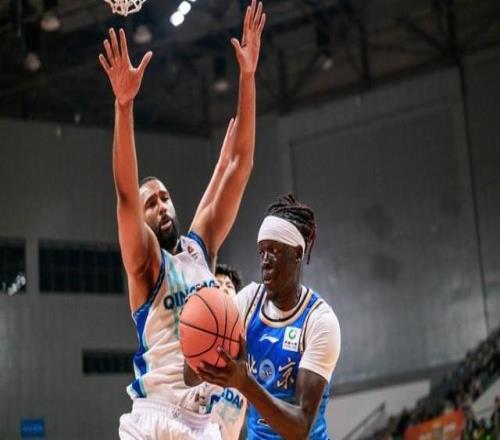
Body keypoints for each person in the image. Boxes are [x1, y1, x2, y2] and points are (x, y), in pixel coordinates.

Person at [97, 0, 265, 437]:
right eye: (151, 203)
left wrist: (248, 76)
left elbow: (240, 165)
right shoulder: (146, 263)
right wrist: (124, 106)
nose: (161, 206)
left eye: (165, 198)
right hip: (154, 418)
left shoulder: (198, 249)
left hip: (202, 424)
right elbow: (125, 195)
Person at [197, 194, 341, 439]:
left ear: (297, 253)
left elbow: (300, 428)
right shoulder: (248, 301)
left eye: (274, 250)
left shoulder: (320, 321)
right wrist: (196, 335)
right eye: (261, 251)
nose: (265, 261)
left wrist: (245, 384)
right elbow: (192, 375)